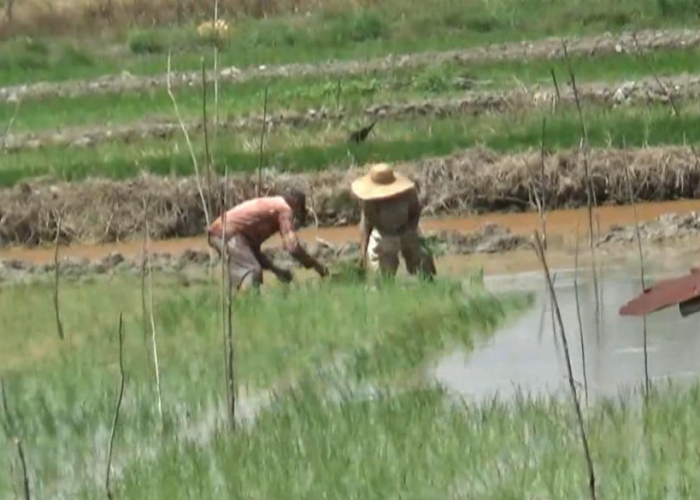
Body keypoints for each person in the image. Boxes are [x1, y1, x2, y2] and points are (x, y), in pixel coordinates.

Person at [206, 188, 329, 294]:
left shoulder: (272, 205)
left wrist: (277, 271)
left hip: (222, 233)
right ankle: (249, 307)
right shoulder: (284, 210)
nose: (295, 218)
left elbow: (254, 253)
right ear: (296, 204)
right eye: (298, 212)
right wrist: (317, 266)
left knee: (251, 267)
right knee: (252, 270)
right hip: (226, 233)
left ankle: (245, 305)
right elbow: (292, 247)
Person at [351, 163, 437, 280]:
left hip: (402, 230)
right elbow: (366, 223)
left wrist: (410, 230)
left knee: (421, 263)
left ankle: (428, 285)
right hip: (388, 233)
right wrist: (363, 252)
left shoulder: (406, 194)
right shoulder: (370, 201)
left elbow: (415, 211)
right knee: (385, 275)